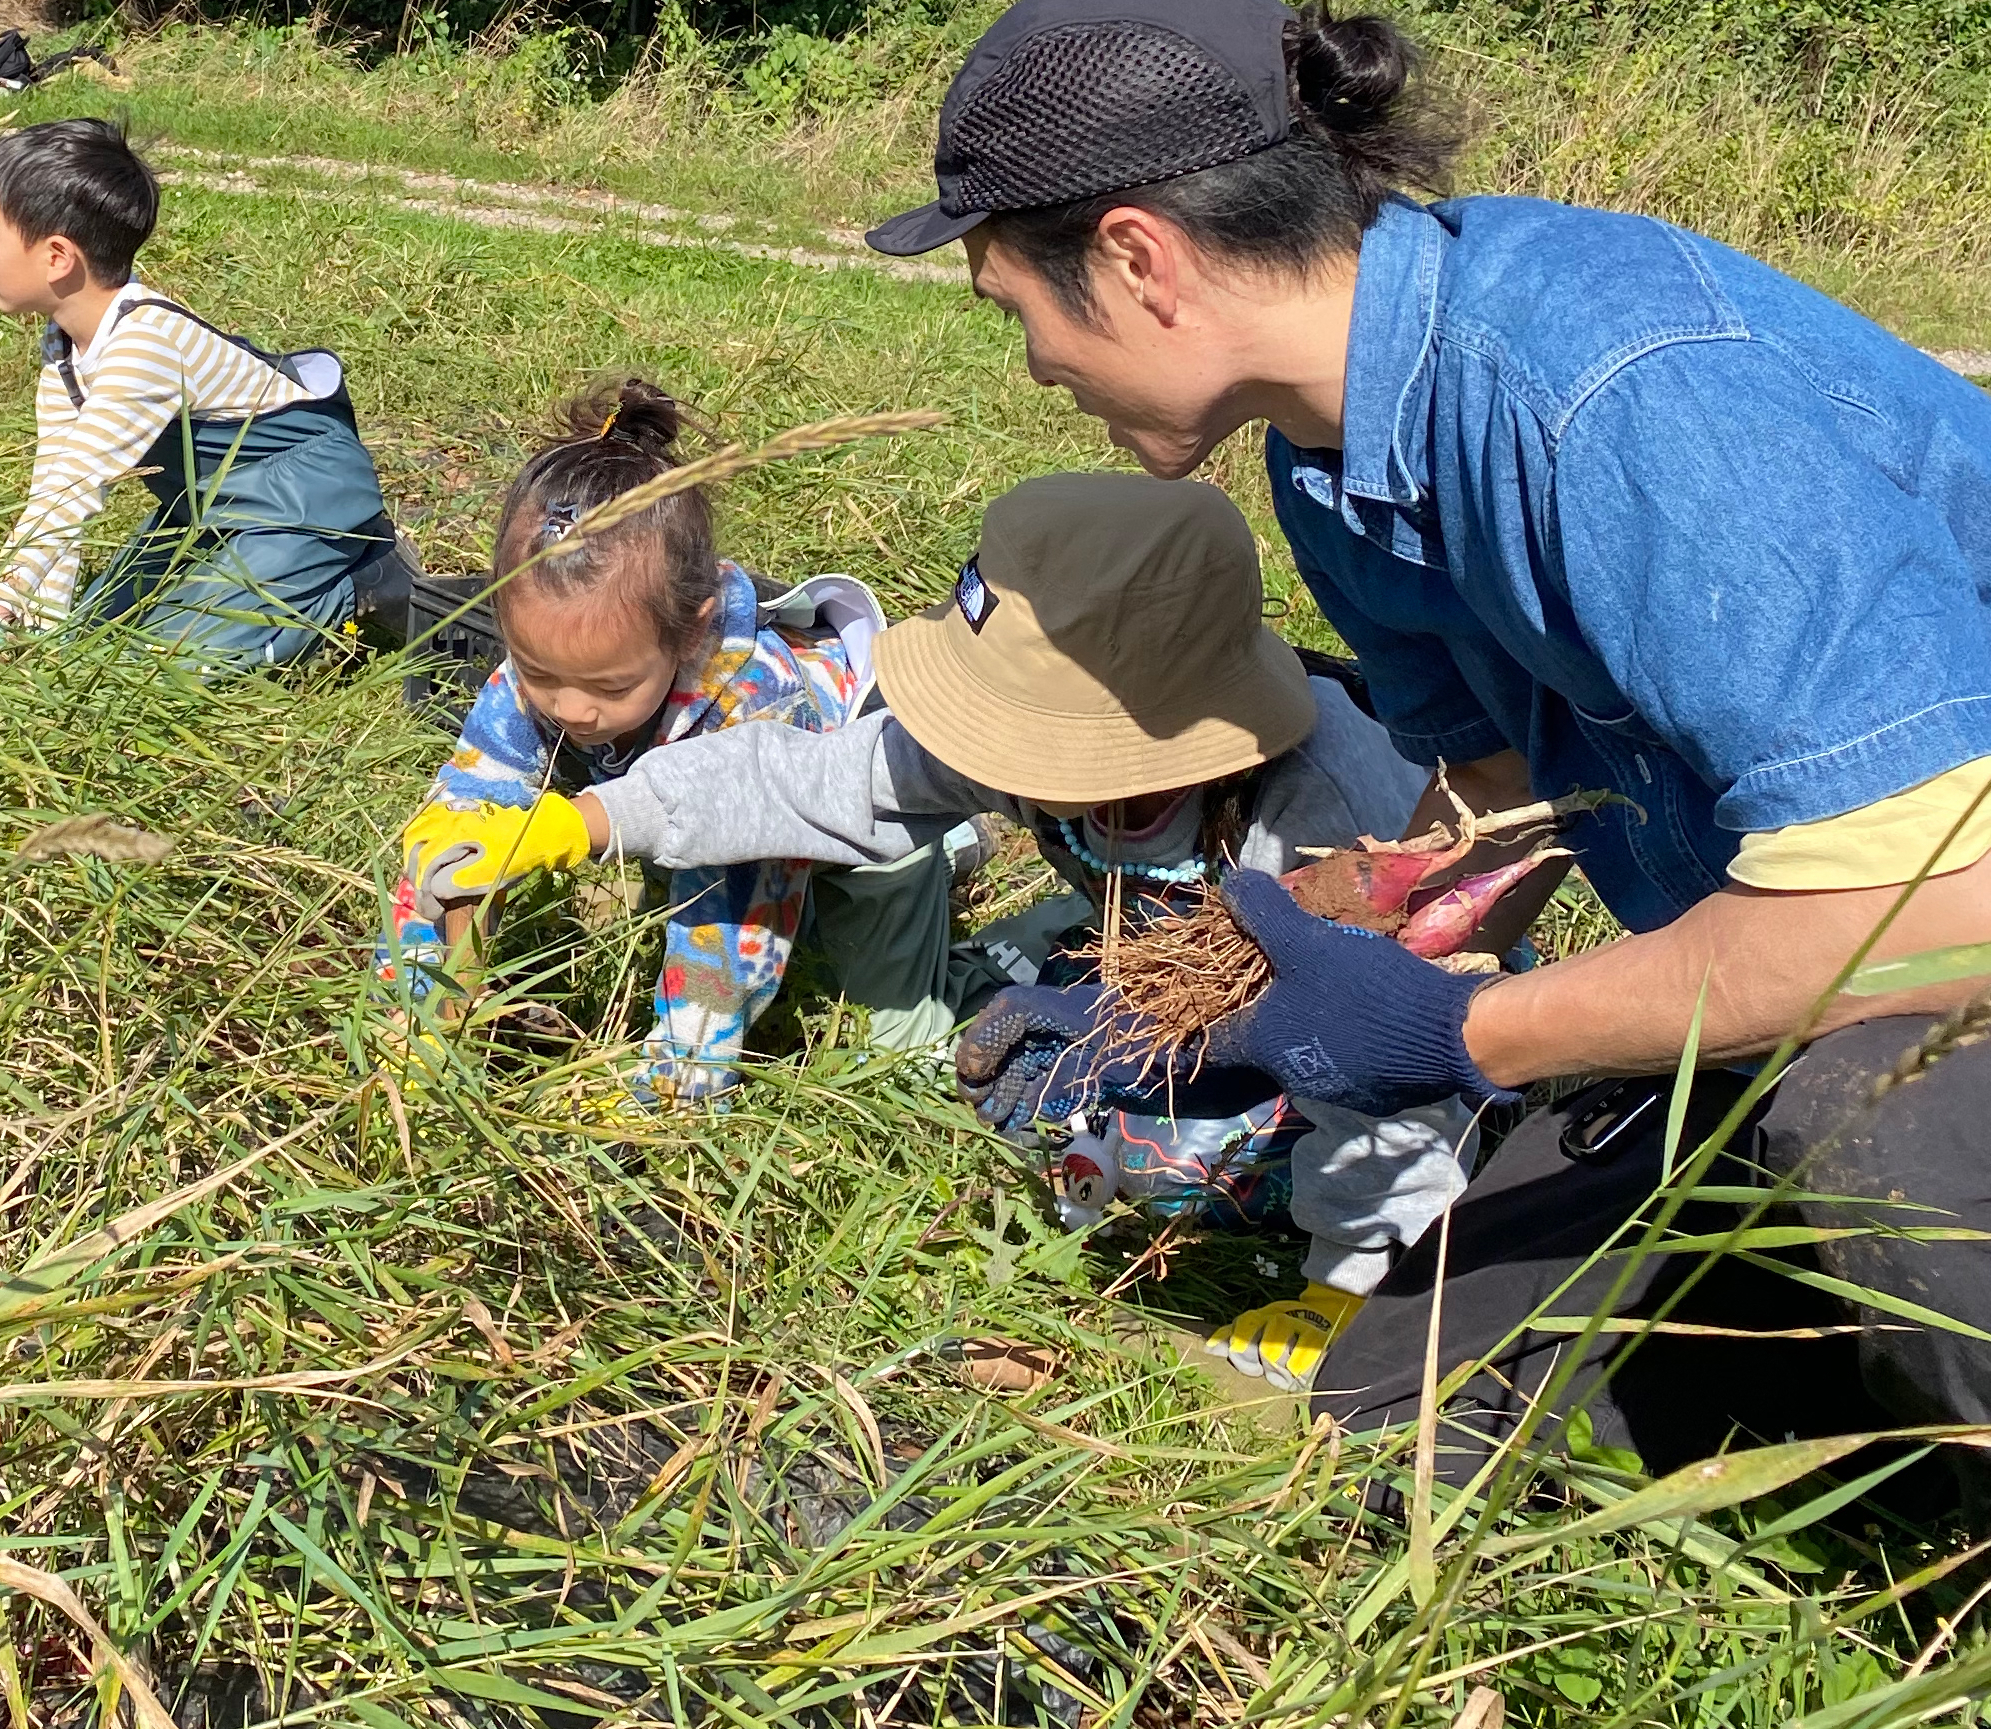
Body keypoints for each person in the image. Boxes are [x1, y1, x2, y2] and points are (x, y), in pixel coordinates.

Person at [854, 0, 1991, 1473]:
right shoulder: (1335, 451)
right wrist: (1222, 973)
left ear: (1139, 261)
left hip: (1914, 966)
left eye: (1016, 308)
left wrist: (1469, 1029)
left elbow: (1927, 920)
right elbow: (1496, 796)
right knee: (1392, 1406)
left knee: (1867, 1130)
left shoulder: (1617, 402)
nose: (1039, 364)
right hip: (1817, 973)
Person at [401, 466, 1483, 1383]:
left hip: (1347, 1035)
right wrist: (592, 817)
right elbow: (810, 781)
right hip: (1143, 948)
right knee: (999, 1065)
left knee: (1157, 1158)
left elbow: (1389, 1056)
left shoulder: (1324, 815)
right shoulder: (1034, 740)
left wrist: (1354, 1283)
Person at [386, 379, 886, 1107]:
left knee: (747, 888)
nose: (571, 708)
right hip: (665, 768)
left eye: (610, 688)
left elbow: (732, 917)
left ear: (690, 631)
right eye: (540, 671)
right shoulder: (549, 674)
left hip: (842, 806)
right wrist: (426, 1001)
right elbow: (465, 816)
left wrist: (681, 1077)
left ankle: (681, 1087)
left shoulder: (758, 705)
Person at [0, 118, 399, 669]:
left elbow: (73, 494)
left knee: (162, 663)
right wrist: (43, 639)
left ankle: (364, 581)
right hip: (206, 506)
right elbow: (56, 487)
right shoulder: (63, 347)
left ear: (56, 257)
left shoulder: (144, 347)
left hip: (305, 499)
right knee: (95, 641)